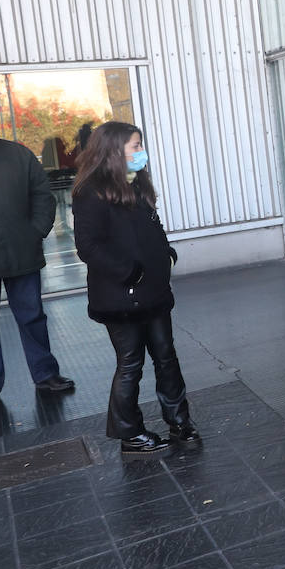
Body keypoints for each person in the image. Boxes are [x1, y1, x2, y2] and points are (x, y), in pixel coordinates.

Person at [72, 122, 198, 455]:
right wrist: (129, 273)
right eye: (135, 145)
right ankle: (129, 432)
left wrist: (165, 255)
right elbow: (88, 247)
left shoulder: (137, 184)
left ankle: (180, 422)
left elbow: (152, 229)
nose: (141, 152)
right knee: (130, 364)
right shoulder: (92, 192)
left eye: (140, 144)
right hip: (121, 297)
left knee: (166, 357)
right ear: (113, 151)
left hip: (154, 292)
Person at [0, 98, 75, 412]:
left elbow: (42, 196)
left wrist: (34, 232)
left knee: (32, 316)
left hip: (21, 254)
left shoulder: (18, 154)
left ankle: (46, 374)